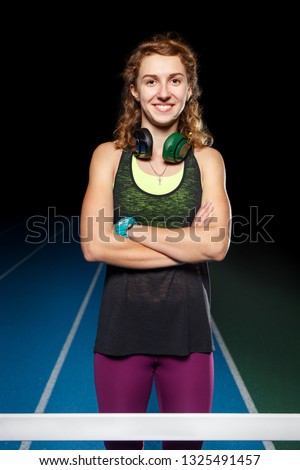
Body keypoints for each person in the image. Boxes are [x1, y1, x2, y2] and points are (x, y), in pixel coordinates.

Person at [80, 31, 231, 451]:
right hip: (119, 334)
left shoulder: (208, 161)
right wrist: (187, 241)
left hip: (189, 334)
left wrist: (132, 230)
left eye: (175, 80)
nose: (163, 92)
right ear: (134, 90)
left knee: (185, 458)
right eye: (151, 81)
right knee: (122, 457)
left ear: (189, 89)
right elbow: (94, 246)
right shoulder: (108, 157)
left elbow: (216, 247)